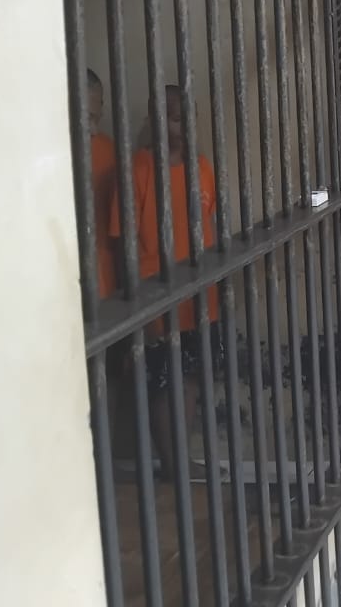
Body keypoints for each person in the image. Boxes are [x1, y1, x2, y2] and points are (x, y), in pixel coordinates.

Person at [111, 84, 222, 479]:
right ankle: (172, 464)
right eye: (175, 117)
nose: (184, 125)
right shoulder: (137, 171)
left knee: (188, 376)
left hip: (198, 294)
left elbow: (208, 225)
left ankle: (181, 460)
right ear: (156, 122)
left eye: (189, 116)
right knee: (162, 381)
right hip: (155, 294)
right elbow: (122, 239)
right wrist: (133, 303)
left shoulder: (202, 167)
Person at [88, 69, 118, 299]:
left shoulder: (108, 150)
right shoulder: (44, 165)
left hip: (108, 283)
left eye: (96, 118)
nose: (94, 129)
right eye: (86, 118)